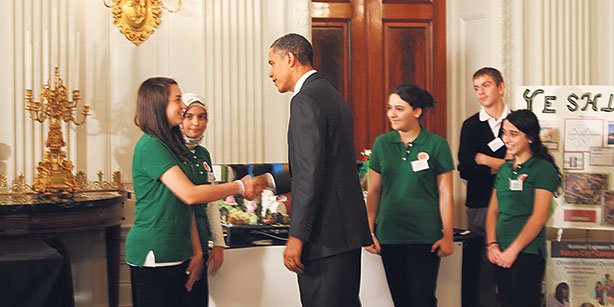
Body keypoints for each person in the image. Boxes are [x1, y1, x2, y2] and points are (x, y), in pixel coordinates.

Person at [256, 33, 372, 307]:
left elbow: (310, 176)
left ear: (290, 58)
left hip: (324, 238)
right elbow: (323, 164)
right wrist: (271, 180)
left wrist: (296, 237)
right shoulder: (330, 94)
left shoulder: (304, 100)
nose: (270, 73)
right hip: (344, 236)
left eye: (272, 63)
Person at [127, 77, 252, 307]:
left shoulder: (171, 146)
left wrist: (196, 251)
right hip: (156, 254)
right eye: (177, 100)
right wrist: (240, 186)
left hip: (180, 251)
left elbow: (186, 207)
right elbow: (191, 194)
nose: (183, 107)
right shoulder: (151, 146)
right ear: (158, 105)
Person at [364, 83, 455, 306]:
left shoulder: (437, 145)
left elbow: (446, 193)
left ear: (417, 111)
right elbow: (374, 191)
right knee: (400, 300)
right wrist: (367, 231)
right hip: (390, 235)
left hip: (425, 236)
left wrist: (448, 235)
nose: (392, 114)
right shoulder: (382, 144)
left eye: (399, 108)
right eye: (389, 108)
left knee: (422, 300)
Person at [486, 109, 562, 307]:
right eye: (504, 133)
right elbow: (493, 210)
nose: (507, 139)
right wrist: (492, 244)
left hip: (527, 252)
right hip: (499, 250)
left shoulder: (543, 169)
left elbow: (539, 216)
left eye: (514, 134)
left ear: (530, 137)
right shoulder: (504, 169)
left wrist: (513, 250)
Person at [457, 67, 510, 307]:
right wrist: (503, 164)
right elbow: (465, 168)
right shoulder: (471, 125)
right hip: (480, 204)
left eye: (486, 85)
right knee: (483, 268)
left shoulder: (517, 121)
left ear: (501, 87)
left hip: (513, 204)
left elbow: (526, 164)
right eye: (476, 88)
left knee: (511, 263)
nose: (481, 92)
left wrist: (485, 159)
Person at [179, 93, 227, 304]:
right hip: (181, 243)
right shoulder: (171, 152)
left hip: (203, 240)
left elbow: (211, 201)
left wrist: (218, 242)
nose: (196, 123)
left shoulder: (204, 154)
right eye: (189, 116)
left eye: (202, 117)